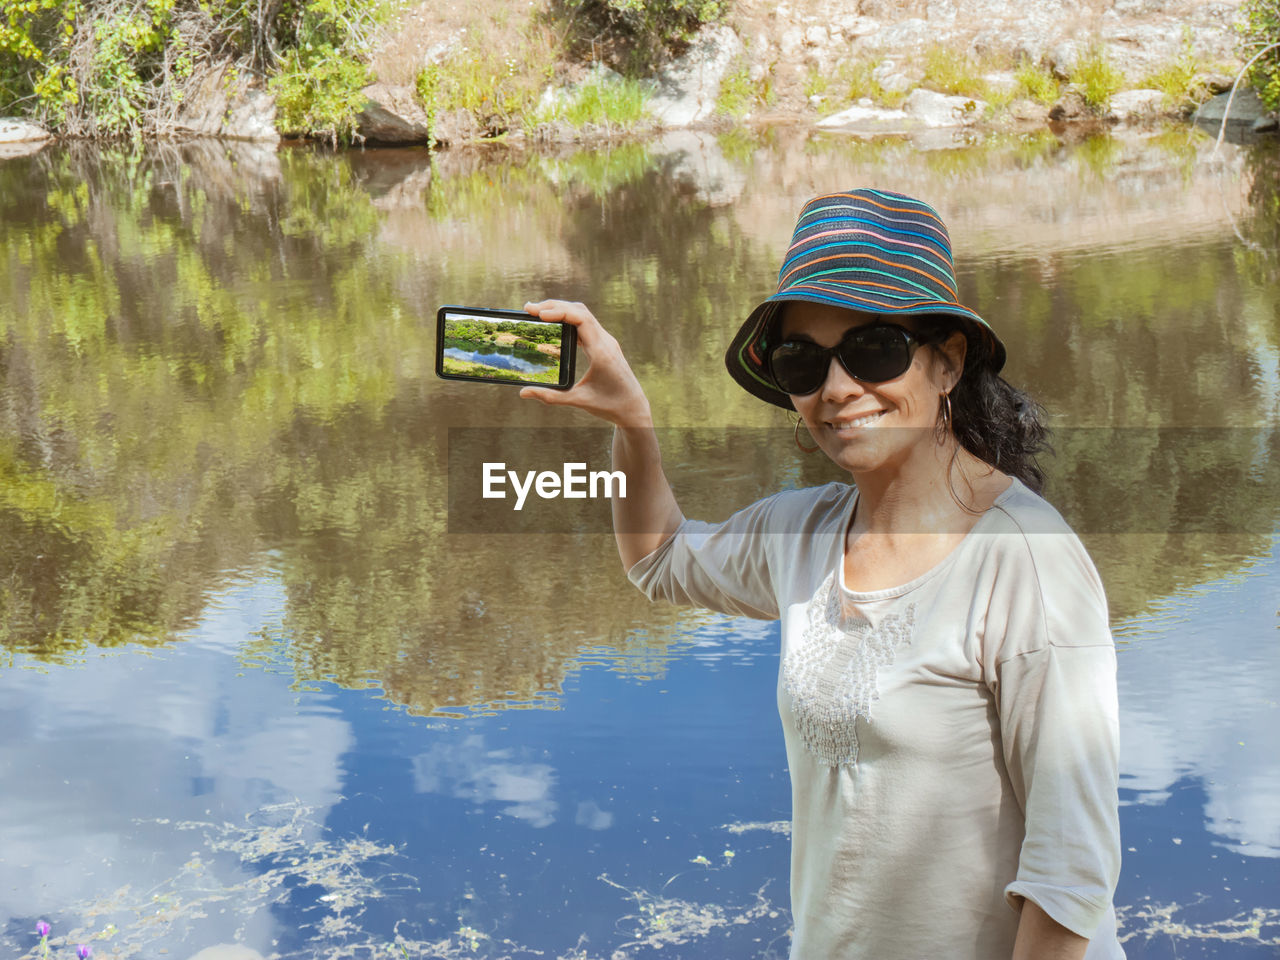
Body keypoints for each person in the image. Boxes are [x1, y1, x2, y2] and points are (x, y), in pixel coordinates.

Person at [519, 188, 1124, 960]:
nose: (838, 389)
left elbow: (1070, 883)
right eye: (804, 361)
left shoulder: (1026, 562)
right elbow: (660, 558)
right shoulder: (806, 532)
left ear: (948, 361)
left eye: (874, 350)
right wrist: (632, 422)